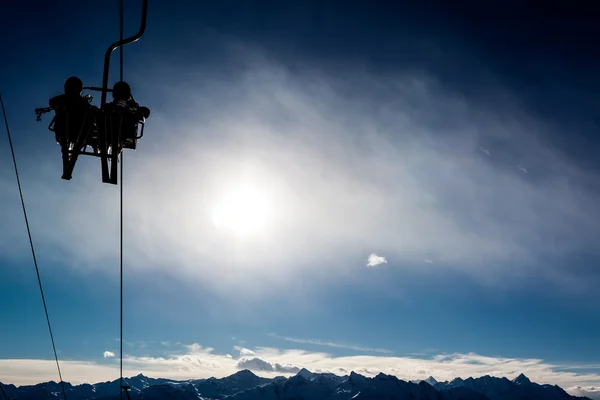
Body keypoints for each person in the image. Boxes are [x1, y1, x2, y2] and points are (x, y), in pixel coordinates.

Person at [102, 81, 150, 150]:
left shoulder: (132, 107)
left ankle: (116, 144)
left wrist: (135, 111)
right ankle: (107, 145)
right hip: (109, 127)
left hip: (124, 129)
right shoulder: (109, 106)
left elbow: (145, 112)